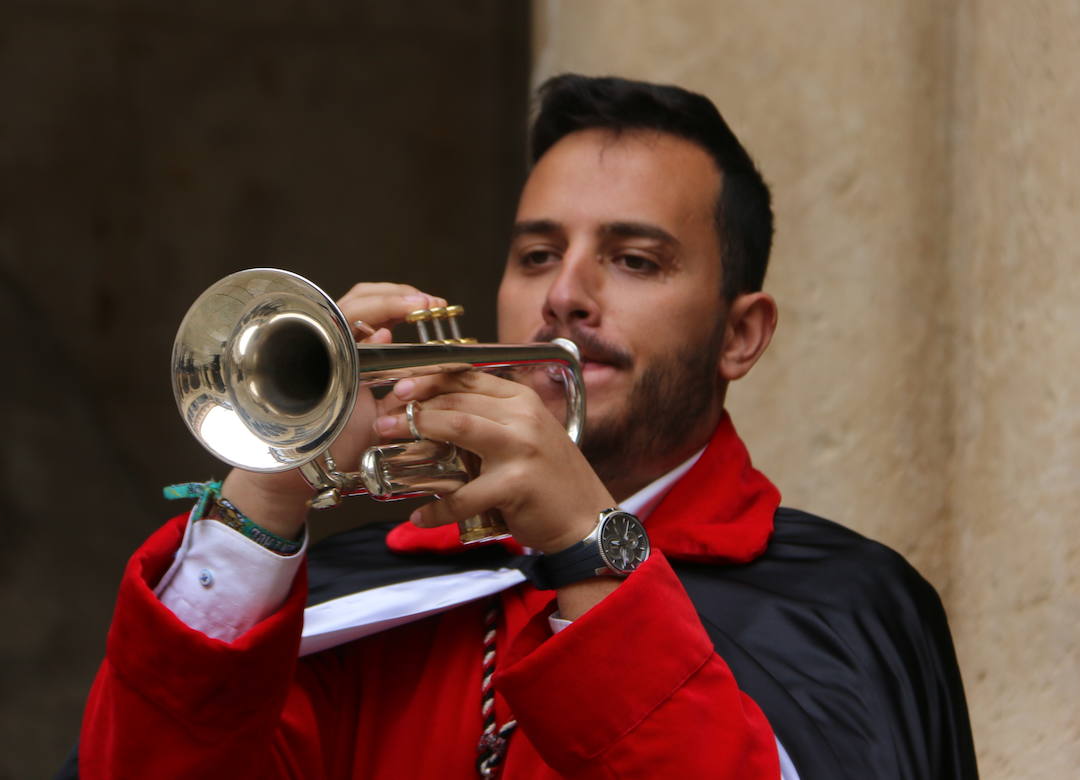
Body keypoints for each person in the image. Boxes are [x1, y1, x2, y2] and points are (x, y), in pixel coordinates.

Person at [64, 75, 977, 779]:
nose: (564, 296)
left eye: (634, 260)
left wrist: (588, 547)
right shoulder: (365, 595)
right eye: (538, 254)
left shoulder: (847, 607)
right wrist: (273, 487)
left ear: (740, 335)